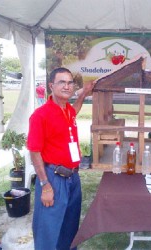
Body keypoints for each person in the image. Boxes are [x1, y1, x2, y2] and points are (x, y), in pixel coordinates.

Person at [27, 67, 94, 250]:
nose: (67, 86)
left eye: (70, 82)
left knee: (70, 227)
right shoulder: (41, 115)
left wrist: (84, 93)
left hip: (73, 178)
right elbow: (34, 151)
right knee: (48, 229)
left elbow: (75, 109)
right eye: (62, 82)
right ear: (51, 86)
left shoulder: (67, 111)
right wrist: (44, 184)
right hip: (53, 178)